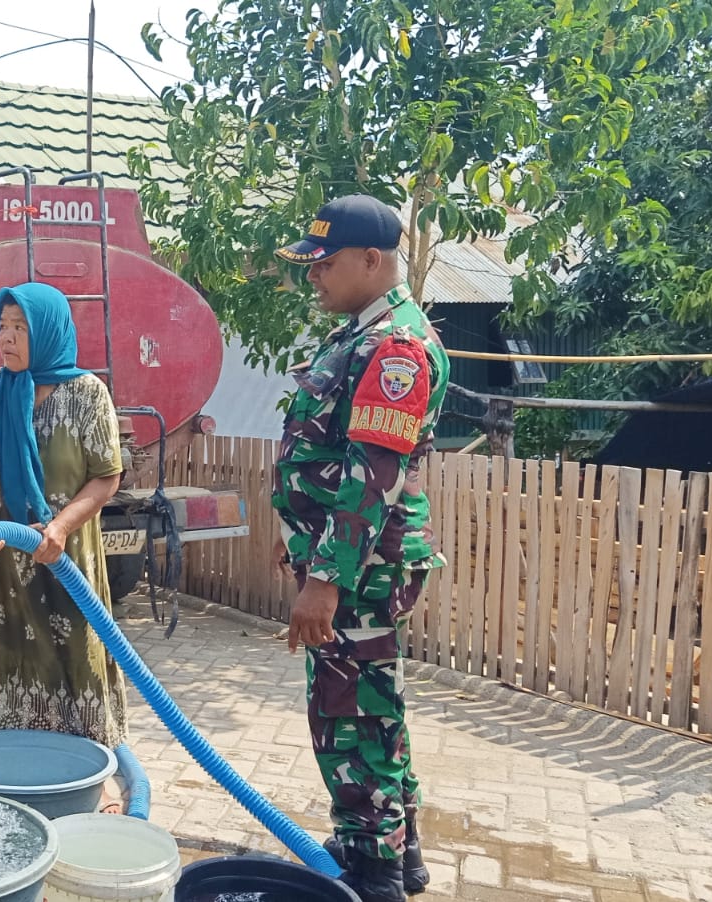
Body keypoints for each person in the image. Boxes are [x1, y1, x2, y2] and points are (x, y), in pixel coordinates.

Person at [270, 194, 449, 902]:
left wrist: (325, 581)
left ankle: (373, 875)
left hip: (358, 573)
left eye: (325, 264)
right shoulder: (362, 334)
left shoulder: (394, 348)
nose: (314, 276)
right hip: (351, 568)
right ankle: (394, 853)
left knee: (349, 718)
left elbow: (371, 477)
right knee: (376, 707)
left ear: (372, 261)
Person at [0, 282, 128, 752]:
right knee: (3, 652)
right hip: (4, 560)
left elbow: (105, 477)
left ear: (47, 330)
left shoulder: (87, 394)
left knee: (79, 653)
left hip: (67, 559)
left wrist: (60, 527)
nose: (7, 338)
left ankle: (98, 770)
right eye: (2, 326)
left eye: (20, 327)